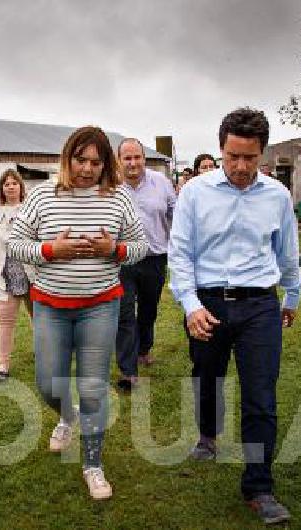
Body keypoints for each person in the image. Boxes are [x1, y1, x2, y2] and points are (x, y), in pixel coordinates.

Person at [168, 108, 301, 525]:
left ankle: (259, 487)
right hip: (208, 302)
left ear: (261, 153)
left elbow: (287, 253)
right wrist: (190, 305)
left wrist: (292, 294)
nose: (241, 167)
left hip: (260, 304)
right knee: (207, 375)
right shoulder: (195, 193)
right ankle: (208, 435)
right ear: (221, 149)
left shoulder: (277, 196)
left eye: (250, 158)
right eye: (232, 156)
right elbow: (180, 253)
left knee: (261, 396)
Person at [7, 126, 147, 500]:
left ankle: (93, 464)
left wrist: (114, 250)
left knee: (93, 387)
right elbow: (15, 245)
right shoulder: (41, 196)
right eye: (80, 160)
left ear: (106, 165)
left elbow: (141, 246)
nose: (87, 169)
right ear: (67, 158)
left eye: (95, 162)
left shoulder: (118, 198)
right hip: (50, 306)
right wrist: (52, 250)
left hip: (100, 305)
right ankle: (66, 418)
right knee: (48, 382)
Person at [115, 138, 176, 389]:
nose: (133, 163)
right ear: (119, 161)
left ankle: (144, 348)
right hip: (122, 260)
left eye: (137, 157)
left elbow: (175, 213)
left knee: (148, 310)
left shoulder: (161, 183)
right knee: (124, 312)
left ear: (144, 158)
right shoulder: (110, 186)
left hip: (154, 258)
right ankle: (128, 369)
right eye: (127, 158)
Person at [0, 169, 35, 382]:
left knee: (39, 319)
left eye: (14, 183)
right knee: (5, 321)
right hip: (4, 276)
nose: (10, 186)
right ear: (2, 189)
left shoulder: (31, 211)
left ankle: (44, 355)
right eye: (6, 184)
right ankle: (3, 365)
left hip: (32, 274)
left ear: (21, 187)